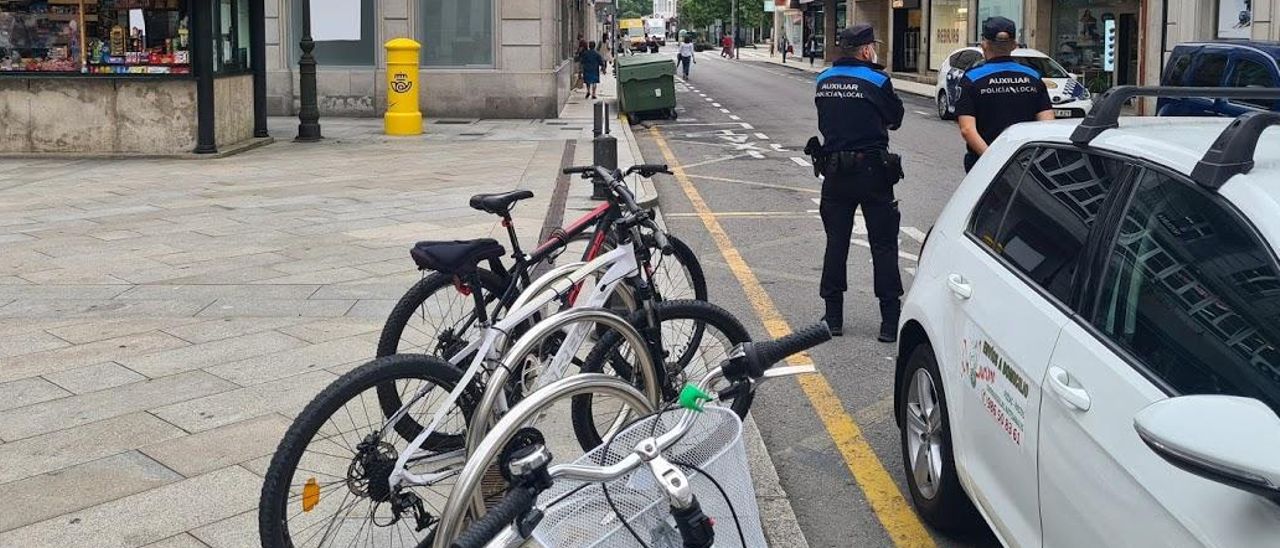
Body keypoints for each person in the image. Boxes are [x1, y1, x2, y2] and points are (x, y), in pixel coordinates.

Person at [811, 23, 905, 341]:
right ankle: (889, 322)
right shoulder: (878, 80)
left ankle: (833, 317)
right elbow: (896, 118)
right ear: (866, 50)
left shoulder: (823, 79)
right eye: (873, 47)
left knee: (836, 244)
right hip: (873, 173)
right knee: (883, 244)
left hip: (835, 173)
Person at [955, 17, 1054, 172]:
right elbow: (1047, 125)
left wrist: (994, 160)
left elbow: (967, 129)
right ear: (1014, 45)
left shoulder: (972, 78)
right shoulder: (1033, 76)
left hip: (984, 164)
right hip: (1026, 165)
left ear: (984, 44)